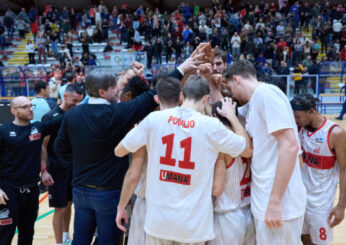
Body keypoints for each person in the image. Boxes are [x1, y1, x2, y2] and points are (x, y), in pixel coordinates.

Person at [54, 54, 205, 245]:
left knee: (80, 240)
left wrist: (79, 166)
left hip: (80, 191)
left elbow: (60, 150)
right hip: (108, 193)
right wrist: (182, 68)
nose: (118, 90)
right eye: (113, 88)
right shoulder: (116, 114)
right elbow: (153, 96)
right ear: (102, 92)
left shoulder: (72, 115)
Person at [114, 75, 252, 244]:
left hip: (158, 222)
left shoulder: (154, 119)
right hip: (193, 226)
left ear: (182, 95)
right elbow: (246, 149)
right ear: (205, 99)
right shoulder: (211, 126)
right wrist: (232, 117)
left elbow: (119, 151)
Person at [222, 60, 307, 244]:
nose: (232, 94)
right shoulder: (258, 99)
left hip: (279, 204)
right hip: (267, 199)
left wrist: (275, 202)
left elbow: (290, 145)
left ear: (237, 79)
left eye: (230, 87)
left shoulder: (265, 95)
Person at [119, 76, 183, 245]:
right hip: (182, 203)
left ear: (156, 98)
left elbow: (130, 169)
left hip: (149, 205)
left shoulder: (147, 125)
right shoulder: (194, 124)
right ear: (181, 97)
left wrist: (121, 206)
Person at [291, 94, 346, 245]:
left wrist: (341, 206)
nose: (296, 121)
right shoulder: (300, 129)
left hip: (321, 206)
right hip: (299, 201)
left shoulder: (335, 133)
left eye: (298, 116)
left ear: (311, 111)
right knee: (303, 239)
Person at [0, 96, 61, 245]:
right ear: (13, 111)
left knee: (27, 234)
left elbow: (63, 117)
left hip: (31, 190)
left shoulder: (38, 128)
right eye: (25, 107)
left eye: (31, 105)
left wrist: (44, 170)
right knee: (4, 236)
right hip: (8, 192)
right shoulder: (3, 131)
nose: (30, 109)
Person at [207, 101, 255, 245]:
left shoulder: (222, 144)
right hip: (249, 213)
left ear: (215, 117)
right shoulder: (246, 137)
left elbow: (217, 189)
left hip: (226, 218)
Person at [41, 85, 84, 245]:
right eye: (74, 100)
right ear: (65, 96)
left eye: (80, 101)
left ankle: (66, 237)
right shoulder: (51, 117)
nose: (76, 104)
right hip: (56, 169)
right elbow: (43, 146)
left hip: (74, 168)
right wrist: (44, 170)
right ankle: (59, 242)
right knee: (59, 208)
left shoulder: (77, 114)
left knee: (69, 205)